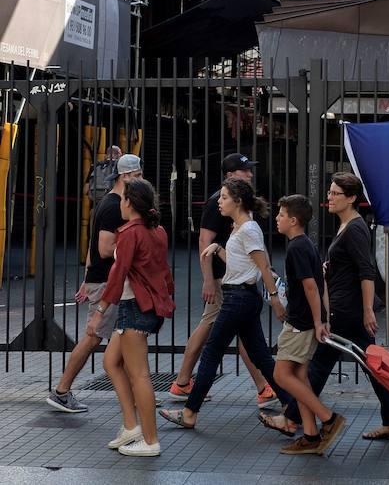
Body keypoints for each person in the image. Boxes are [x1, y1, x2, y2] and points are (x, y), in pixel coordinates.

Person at [259, 172, 389, 441]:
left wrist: (367, 310)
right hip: (346, 307)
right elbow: (350, 267)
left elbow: (366, 270)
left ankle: (293, 418)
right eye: (329, 192)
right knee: (369, 365)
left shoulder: (355, 229)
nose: (329, 198)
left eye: (335, 193)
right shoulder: (346, 226)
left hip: (347, 310)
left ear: (351, 198)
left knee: (318, 365)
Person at [158, 177, 290, 430]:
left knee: (211, 353)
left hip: (238, 299)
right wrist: (218, 249)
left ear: (238, 201)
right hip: (241, 296)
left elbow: (262, 265)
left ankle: (189, 413)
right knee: (262, 357)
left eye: (224, 197)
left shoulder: (249, 229)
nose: (219, 202)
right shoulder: (239, 227)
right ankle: (290, 408)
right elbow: (242, 263)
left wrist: (274, 299)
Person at [169, 153, 277, 409]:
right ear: (230, 175)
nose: (250, 174)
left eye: (250, 170)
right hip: (224, 278)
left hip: (232, 276)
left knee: (235, 332)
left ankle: (262, 387)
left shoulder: (239, 204)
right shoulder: (218, 202)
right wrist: (208, 279)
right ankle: (184, 383)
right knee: (216, 330)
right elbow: (204, 241)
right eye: (244, 171)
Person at [46, 153, 142, 413]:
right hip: (107, 282)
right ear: (125, 176)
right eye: (137, 175)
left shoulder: (112, 203)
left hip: (101, 280)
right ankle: (62, 391)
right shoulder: (113, 206)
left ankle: (136, 394)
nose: (140, 179)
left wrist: (87, 277)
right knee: (93, 337)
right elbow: (102, 248)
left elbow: (91, 247)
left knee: (119, 338)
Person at [87, 177, 174, 457]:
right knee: (111, 362)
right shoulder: (157, 230)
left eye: (123, 198)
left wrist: (98, 313)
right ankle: (131, 427)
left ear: (130, 202)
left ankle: (150, 440)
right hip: (145, 306)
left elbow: (117, 274)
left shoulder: (129, 232)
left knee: (139, 376)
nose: (119, 203)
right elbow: (162, 272)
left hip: (132, 307)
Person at [272, 194, 346, 456]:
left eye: (281, 215)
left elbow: (311, 286)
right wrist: (324, 318)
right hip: (307, 321)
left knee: (281, 375)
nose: (277, 219)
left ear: (293, 220)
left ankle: (328, 418)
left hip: (299, 323)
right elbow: (320, 283)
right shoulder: (307, 245)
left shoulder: (297, 248)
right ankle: (311, 435)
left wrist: (317, 322)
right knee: (300, 377)